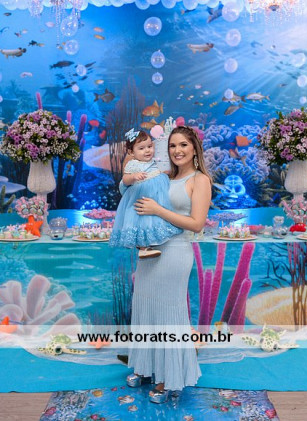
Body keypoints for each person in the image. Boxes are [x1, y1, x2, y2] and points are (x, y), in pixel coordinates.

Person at [123, 125, 212, 403]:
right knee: (145, 307)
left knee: (168, 314)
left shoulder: (200, 180)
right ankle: (145, 366)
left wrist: (158, 210)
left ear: (194, 148)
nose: (177, 150)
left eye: (183, 144)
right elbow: (128, 187)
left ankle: (166, 378)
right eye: (172, 145)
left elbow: (196, 223)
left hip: (175, 252)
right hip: (149, 252)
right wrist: (130, 163)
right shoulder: (163, 176)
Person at [110, 129, 183, 259]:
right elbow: (125, 180)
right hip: (143, 195)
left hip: (157, 196)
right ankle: (143, 248)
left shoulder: (153, 161)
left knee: (156, 219)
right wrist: (133, 177)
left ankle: (156, 242)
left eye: (149, 146)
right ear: (131, 152)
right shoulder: (133, 164)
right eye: (141, 148)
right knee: (143, 222)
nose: (147, 150)